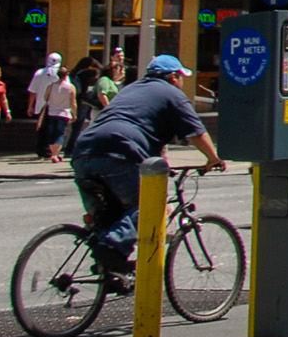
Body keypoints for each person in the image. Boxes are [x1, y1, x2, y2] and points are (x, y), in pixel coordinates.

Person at [66, 53, 226, 285]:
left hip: (84, 151)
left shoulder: (131, 90)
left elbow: (148, 134)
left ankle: (112, 272)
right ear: (173, 77)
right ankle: (111, 251)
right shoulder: (173, 94)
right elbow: (196, 132)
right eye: (181, 77)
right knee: (149, 206)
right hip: (120, 152)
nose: (182, 81)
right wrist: (213, 158)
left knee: (107, 218)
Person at [37, 57, 76, 163]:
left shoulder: (51, 86)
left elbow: (45, 97)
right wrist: (74, 114)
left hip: (52, 112)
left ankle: (53, 154)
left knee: (52, 133)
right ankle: (55, 154)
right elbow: (73, 102)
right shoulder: (70, 87)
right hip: (64, 112)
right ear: (66, 75)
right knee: (60, 133)